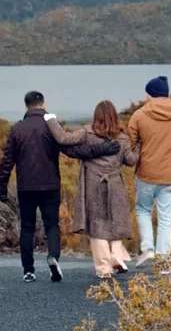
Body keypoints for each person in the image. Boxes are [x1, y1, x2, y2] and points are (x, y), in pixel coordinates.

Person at [0, 91, 121, 283]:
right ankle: (53, 256)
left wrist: (1, 186)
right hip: (50, 185)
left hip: (26, 187)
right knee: (52, 224)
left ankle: (28, 271)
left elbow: (7, 160)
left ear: (26, 107)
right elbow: (74, 150)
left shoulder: (17, 129)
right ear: (44, 105)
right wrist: (101, 149)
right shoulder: (51, 128)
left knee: (27, 227)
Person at [61, 100, 140, 279]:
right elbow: (131, 160)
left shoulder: (87, 133)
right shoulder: (122, 138)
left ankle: (104, 267)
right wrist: (140, 145)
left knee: (97, 223)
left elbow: (65, 140)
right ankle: (116, 257)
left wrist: (51, 122)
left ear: (96, 116)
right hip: (115, 184)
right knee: (116, 221)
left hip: (93, 183)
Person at [128, 75, 171, 269]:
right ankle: (164, 262)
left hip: (146, 174)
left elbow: (131, 144)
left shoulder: (139, 115)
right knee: (167, 218)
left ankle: (147, 248)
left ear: (150, 94)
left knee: (143, 209)